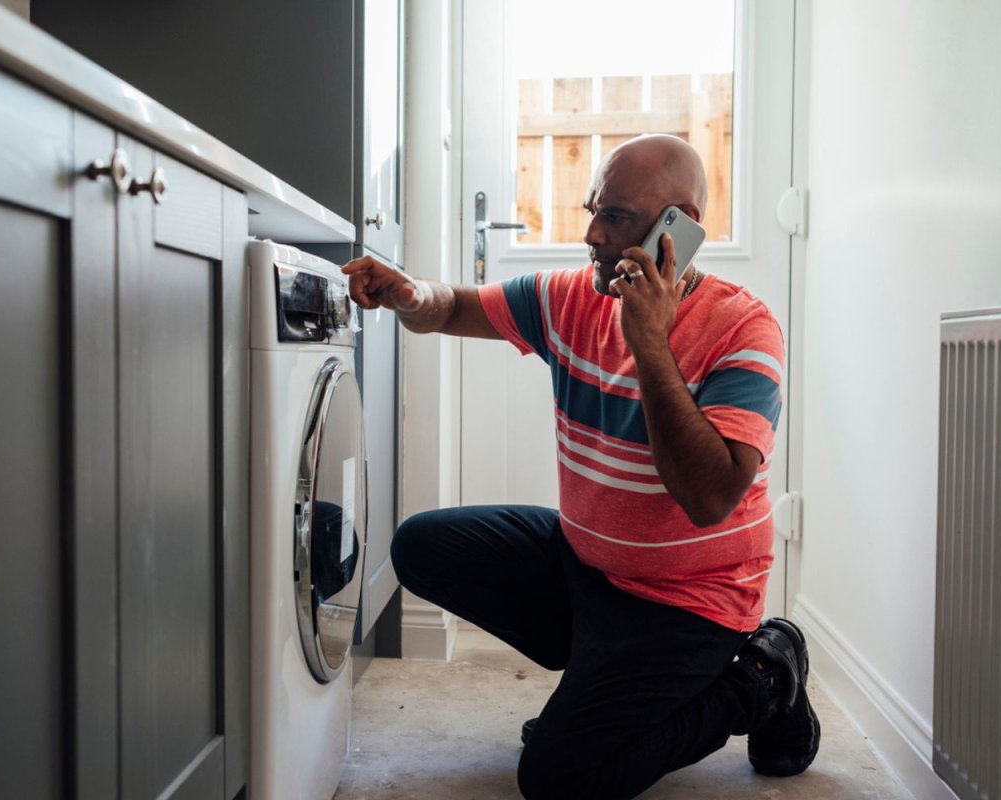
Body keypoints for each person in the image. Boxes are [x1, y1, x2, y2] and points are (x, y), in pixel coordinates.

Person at [342, 134, 819, 800]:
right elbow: (451, 307)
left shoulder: (744, 329)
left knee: (559, 778)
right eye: (594, 209)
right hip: (590, 570)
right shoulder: (571, 298)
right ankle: (600, 677)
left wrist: (649, 342)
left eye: (615, 217)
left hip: (692, 605)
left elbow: (709, 497)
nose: (590, 233)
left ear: (677, 224)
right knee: (421, 546)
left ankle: (761, 680)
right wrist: (407, 292)